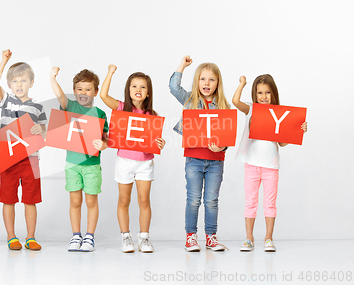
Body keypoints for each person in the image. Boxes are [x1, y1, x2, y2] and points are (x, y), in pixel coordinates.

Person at [232, 74, 307, 252]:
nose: (264, 96)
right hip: (251, 164)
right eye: (260, 93)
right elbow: (235, 101)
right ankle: (249, 238)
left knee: (270, 203)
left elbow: (282, 142)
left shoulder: (279, 114)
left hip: (271, 165)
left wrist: (298, 129)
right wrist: (242, 84)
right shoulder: (251, 109)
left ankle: (268, 238)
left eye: (267, 92)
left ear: (273, 94)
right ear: (255, 94)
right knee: (250, 202)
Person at [100, 64, 166, 253]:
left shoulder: (152, 115)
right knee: (124, 200)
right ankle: (126, 237)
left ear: (148, 93)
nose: (138, 90)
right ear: (128, 90)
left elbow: (155, 140)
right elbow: (104, 96)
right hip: (125, 162)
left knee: (144, 201)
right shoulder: (121, 108)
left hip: (145, 163)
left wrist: (161, 143)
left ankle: (144, 238)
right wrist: (110, 73)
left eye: (143, 87)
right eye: (134, 86)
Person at [169, 55, 230, 252]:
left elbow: (227, 135)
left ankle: (211, 237)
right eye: (203, 79)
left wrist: (221, 147)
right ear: (197, 82)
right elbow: (173, 87)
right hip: (194, 159)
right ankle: (191, 237)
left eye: (211, 79)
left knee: (211, 200)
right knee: (193, 199)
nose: (207, 83)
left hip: (215, 161)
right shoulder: (189, 99)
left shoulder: (222, 106)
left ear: (217, 83)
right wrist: (182, 66)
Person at [0, 49, 47, 250]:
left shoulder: (38, 107)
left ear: (31, 83)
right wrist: (4, 60)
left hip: (31, 158)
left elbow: (45, 132)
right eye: (15, 81)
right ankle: (11, 236)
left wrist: (40, 128)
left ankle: (30, 237)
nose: (19, 85)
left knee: (30, 199)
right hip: (9, 157)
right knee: (9, 198)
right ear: (9, 85)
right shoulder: (6, 101)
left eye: (23, 81)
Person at [50, 66, 108, 252]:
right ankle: (76, 235)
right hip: (72, 164)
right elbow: (58, 94)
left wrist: (103, 145)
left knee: (91, 202)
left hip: (92, 165)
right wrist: (53, 78)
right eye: (80, 89)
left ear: (96, 92)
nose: (84, 93)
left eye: (88, 89)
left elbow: (106, 139)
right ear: (74, 91)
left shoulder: (100, 114)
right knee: (75, 201)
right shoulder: (71, 107)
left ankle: (89, 237)